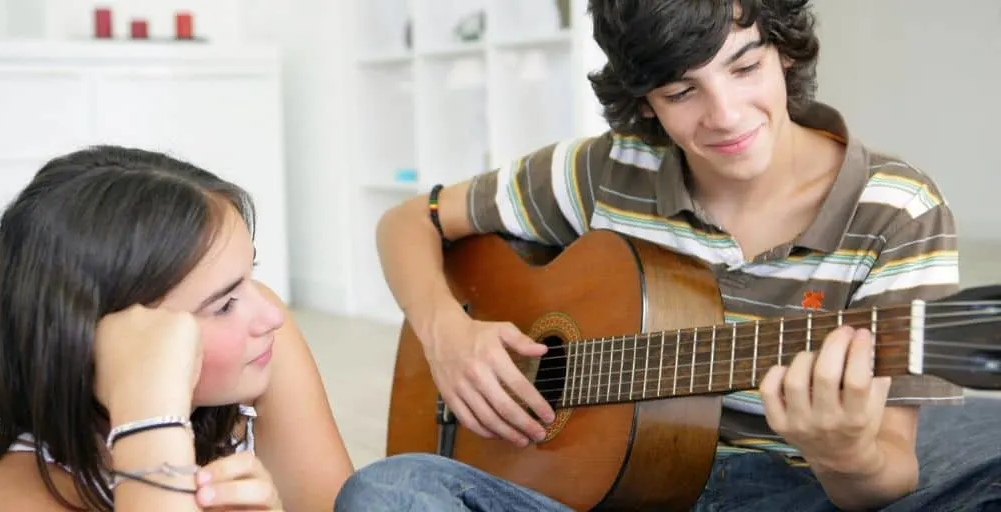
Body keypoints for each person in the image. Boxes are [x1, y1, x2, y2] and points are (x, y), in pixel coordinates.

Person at [334, 0, 1001, 511]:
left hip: (785, 492)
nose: (726, 115)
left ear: (784, 53)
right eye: (683, 92)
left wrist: (846, 453)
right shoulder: (605, 170)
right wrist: (444, 329)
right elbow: (409, 221)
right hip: (583, 491)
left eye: (744, 67)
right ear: (645, 103)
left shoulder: (896, 209)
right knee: (388, 490)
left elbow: (887, 474)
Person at [0, 145, 354, 511]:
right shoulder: (4, 487)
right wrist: (148, 414)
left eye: (250, 276)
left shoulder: (263, 343)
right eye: (224, 305)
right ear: (96, 340)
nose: (272, 315)